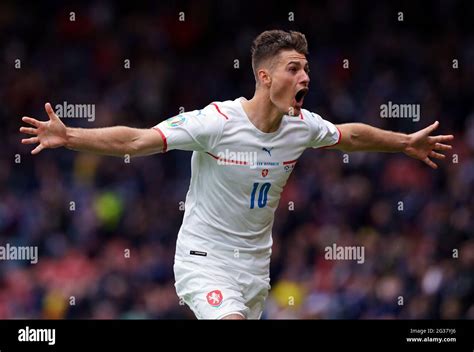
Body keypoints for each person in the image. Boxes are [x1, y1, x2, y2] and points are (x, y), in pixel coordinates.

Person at [19, 30, 454, 320]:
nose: (305, 76)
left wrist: (404, 143)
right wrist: (70, 135)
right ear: (265, 78)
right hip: (204, 261)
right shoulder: (217, 122)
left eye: (306, 69)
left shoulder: (301, 125)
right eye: (294, 68)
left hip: (255, 270)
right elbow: (136, 141)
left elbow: (350, 137)